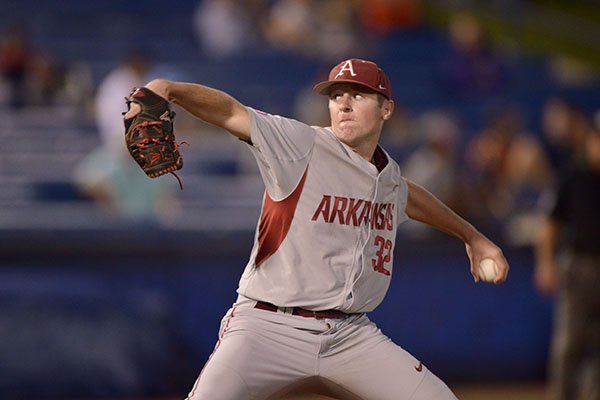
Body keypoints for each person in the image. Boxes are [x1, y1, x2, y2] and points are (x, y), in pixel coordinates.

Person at [124, 58, 510, 400]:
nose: (342, 103)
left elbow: (409, 196)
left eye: (357, 95)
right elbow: (229, 111)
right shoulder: (300, 143)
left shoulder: (387, 173)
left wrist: (471, 236)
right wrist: (167, 89)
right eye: (336, 94)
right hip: (268, 327)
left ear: (386, 109)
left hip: (350, 336)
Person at [534, 125, 600, 400]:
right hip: (579, 265)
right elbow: (549, 225)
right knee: (570, 341)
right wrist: (545, 264)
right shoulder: (573, 176)